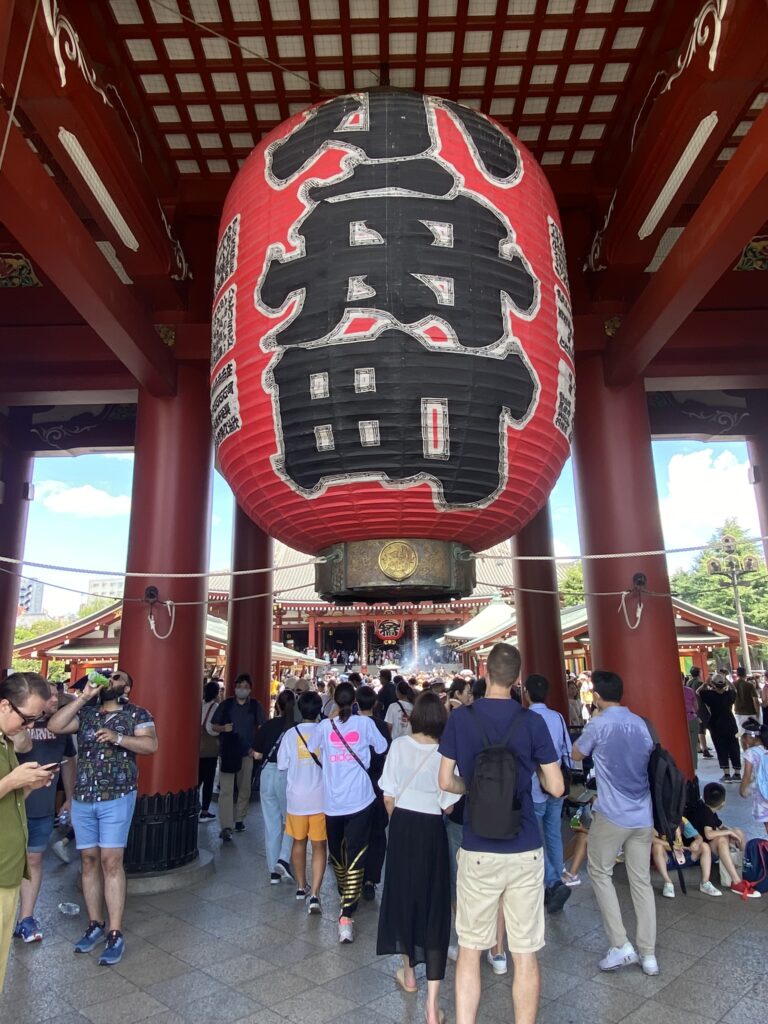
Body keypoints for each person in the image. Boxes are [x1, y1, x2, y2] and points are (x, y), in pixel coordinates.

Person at [438, 642, 562, 1024]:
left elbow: (445, 780)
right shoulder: (533, 722)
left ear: (485, 673)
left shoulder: (461, 719)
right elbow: (557, 788)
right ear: (518, 680)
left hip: (477, 845)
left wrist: (471, 788)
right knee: (524, 953)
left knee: (471, 949)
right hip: (524, 847)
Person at [48, 669, 158, 965]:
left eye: (118, 677)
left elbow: (150, 745)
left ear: (128, 688)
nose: (110, 680)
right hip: (84, 796)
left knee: (111, 860)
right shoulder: (86, 713)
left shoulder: (138, 714)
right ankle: (94, 923)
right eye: (107, 676)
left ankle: (114, 931)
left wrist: (119, 737)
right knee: (88, 861)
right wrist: (82, 698)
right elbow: (55, 725)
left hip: (118, 795)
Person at [378, 692, 459, 1024]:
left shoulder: (398, 746)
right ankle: (432, 1006)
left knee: (405, 897)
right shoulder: (445, 751)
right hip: (431, 830)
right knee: (434, 905)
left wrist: (398, 822)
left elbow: (388, 795)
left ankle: (409, 973)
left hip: (402, 827)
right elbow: (449, 805)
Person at [571, 670, 658, 976]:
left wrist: (594, 717)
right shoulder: (640, 723)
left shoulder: (599, 724)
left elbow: (576, 753)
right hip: (643, 813)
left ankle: (620, 944)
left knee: (599, 871)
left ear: (596, 696)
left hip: (612, 812)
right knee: (641, 881)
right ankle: (649, 954)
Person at [312, 681, 388, 943]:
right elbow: (381, 748)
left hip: (332, 801)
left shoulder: (324, 726)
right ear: (354, 700)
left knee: (338, 853)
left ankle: (346, 907)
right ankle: (347, 905)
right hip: (360, 799)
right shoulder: (365, 724)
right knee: (356, 852)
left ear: (334, 699)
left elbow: (313, 750)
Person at [0, 673, 56, 992]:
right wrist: (11, 781)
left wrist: (29, 785)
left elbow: (10, 802)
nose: (29, 726)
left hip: (9, 867)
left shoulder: (7, 742)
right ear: (5, 705)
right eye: (27, 719)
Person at [11, 681, 76, 942]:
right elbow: (22, 746)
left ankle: (26, 918)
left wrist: (69, 798)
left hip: (41, 804)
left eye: (55, 696)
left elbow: (69, 762)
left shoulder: (62, 727)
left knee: (34, 860)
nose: (53, 700)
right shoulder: (18, 721)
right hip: (12, 802)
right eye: (47, 696)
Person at [523, 674, 572, 914]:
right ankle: (558, 878)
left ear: (527, 694)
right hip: (557, 783)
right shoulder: (558, 717)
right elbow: (567, 750)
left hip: (533, 785)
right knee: (553, 834)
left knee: (535, 837)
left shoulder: (525, 718)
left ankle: (550, 882)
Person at [277, 691, 326, 911]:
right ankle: (314, 894)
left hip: (296, 797)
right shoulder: (324, 732)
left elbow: (282, 765)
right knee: (319, 845)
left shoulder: (290, 734)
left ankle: (300, 886)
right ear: (319, 710)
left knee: (298, 842)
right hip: (320, 798)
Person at [211, 674, 266, 841]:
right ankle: (226, 826)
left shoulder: (255, 706)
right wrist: (223, 728)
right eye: (239, 686)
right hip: (228, 752)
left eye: (245, 686)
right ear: (235, 688)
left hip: (247, 752)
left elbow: (263, 726)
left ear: (250, 689)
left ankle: (240, 819)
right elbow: (214, 726)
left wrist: (258, 748)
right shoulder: (226, 705)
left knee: (244, 788)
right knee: (226, 791)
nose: (242, 689)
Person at [686, 782, 758, 898]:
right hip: (700, 850)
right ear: (723, 803)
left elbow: (720, 825)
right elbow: (709, 835)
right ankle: (736, 882)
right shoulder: (705, 812)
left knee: (738, 831)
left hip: (706, 845)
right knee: (721, 840)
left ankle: (747, 869)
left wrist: (733, 832)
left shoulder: (708, 810)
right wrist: (729, 833)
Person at [253, 690, 295, 884]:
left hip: (267, 773)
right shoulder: (295, 729)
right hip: (286, 775)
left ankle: (273, 873)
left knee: (271, 824)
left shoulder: (268, 725)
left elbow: (257, 755)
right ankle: (283, 859)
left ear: (277, 705)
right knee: (291, 821)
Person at [355, 685, 391, 901]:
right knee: (377, 833)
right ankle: (371, 879)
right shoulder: (380, 726)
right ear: (376, 703)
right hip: (377, 783)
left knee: (358, 831)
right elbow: (385, 752)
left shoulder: (351, 725)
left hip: (357, 784)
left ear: (356, 703)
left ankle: (356, 875)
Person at [650, 818, 721, 898]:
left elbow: (698, 837)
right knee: (657, 847)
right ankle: (668, 882)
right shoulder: (656, 818)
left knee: (704, 846)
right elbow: (650, 838)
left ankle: (705, 882)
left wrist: (696, 843)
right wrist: (671, 845)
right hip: (666, 858)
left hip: (682, 854)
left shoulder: (682, 820)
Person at [699, 674, 741, 781]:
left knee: (721, 748)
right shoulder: (729, 695)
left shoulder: (710, 695)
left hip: (716, 724)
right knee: (734, 747)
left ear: (713, 684)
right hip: (730, 723)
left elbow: (698, 692)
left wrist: (706, 683)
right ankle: (737, 773)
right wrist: (727, 680)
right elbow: (734, 689)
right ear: (724, 684)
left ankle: (726, 774)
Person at [738, 717, 768, 835]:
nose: (743, 741)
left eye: (743, 738)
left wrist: (742, 790)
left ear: (750, 737)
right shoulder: (765, 749)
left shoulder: (750, 753)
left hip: (762, 793)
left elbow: (747, 775)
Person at [199, 679, 221, 822]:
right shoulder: (215, 707)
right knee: (208, 780)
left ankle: (194, 804)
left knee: (197, 779)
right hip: (209, 749)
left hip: (197, 748)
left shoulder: (200, 704)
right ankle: (205, 811)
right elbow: (211, 728)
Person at [734, 667, 760, 734]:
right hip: (750, 712)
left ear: (737, 674)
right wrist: (758, 712)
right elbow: (755, 700)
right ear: (745, 674)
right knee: (754, 733)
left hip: (738, 712)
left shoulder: (733, 684)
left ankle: (744, 744)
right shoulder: (749, 685)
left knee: (742, 733)